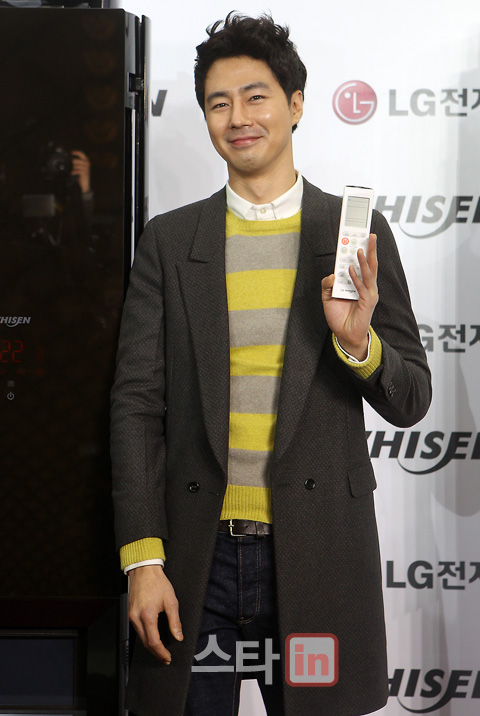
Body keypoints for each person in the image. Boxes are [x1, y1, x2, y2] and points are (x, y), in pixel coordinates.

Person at [110, 13, 431, 716]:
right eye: (218, 103)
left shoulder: (351, 233)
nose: (238, 118)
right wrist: (143, 559)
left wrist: (358, 345)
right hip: (195, 559)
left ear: (296, 104)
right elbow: (136, 406)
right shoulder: (170, 242)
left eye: (256, 96)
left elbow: (411, 399)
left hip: (318, 552)